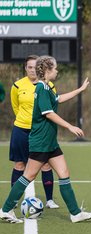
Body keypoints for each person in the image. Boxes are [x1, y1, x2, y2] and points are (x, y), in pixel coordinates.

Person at [0, 56, 91, 223]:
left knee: (64, 173)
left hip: (50, 142)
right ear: (47, 71)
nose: (57, 71)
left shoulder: (47, 87)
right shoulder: (42, 89)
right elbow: (49, 113)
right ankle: (6, 210)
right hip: (41, 141)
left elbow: (58, 99)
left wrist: (80, 90)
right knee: (28, 175)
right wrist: (70, 126)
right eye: (55, 68)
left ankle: (75, 213)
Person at [9, 55, 59, 209]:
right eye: (29, 67)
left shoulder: (48, 85)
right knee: (20, 164)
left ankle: (49, 199)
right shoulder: (17, 86)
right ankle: (14, 200)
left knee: (45, 165)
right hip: (21, 130)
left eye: (34, 67)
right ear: (25, 68)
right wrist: (25, 121)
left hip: (39, 132)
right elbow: (16, 107)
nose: (32, 70)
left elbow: (53, 104)